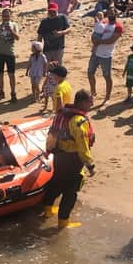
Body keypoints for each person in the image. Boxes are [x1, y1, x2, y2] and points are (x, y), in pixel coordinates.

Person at [43, 89, 96, 229]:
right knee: (70, 192)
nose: (92, 104)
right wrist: (90, 165)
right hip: (73, 159)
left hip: (59, 155)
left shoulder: (61, 114)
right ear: (83, 102)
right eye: (90, 101)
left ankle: (48, 210)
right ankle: (63, 223)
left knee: (56, 181)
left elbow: (52, 134)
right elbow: (82, 146)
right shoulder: (79, 121)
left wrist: (48, 150)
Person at [88, 7, 124, 104]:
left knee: (107, 76)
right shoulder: (103, 22)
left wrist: (98, 42)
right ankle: (93, 92)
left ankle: (107, 96)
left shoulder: (118, 26)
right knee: (90, 73)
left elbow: (112, 40)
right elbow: (95, 33)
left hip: (106, 55)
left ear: (116, 14)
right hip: (96, 52)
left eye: (113, 12)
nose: (111, 14)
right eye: (109, 12)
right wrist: (94, 40)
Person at [0, 8, 20, 102]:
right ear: (2, 16)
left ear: (10, 16)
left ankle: (13, 93)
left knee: (11, 74)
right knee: (0, 73)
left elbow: (17, 38)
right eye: (4, 16)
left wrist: (11, 30)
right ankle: (1, 92)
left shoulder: (14, 25)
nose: (6, 18)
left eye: (7, 16)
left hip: (10, 53)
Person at [37, 1, 70, 65]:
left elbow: (69, 29)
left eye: (54, 11)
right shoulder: (44, 22)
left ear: (57, 10)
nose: (52, 13)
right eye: (50, 11)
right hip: (47, 49)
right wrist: (39, 49)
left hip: (59, 48)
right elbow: (40, 36)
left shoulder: (62, 18)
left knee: (57, 68)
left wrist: (61, 33)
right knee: (47, 67)